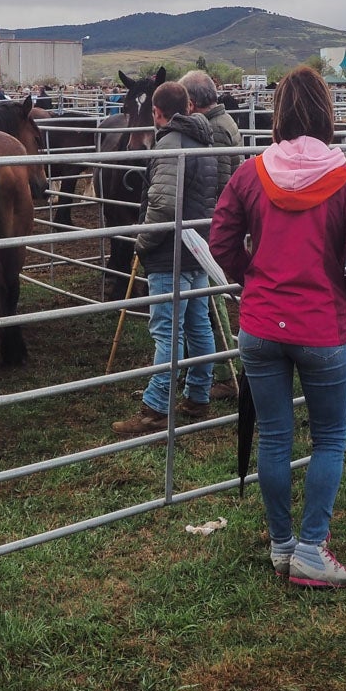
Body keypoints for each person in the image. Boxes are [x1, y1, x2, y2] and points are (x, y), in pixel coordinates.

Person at [209, 66, 346, 588]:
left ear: (278, 113)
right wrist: (345, 298)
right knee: (330, 436)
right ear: (328, 115)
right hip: (320, 326)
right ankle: (311, 548)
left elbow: (221, 243)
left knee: (275, 437)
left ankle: (282, 544)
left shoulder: (250, 174)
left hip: (261, 325)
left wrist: (251, 280)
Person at [112, 82, 225, 435]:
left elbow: (161, 205)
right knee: (198, 324)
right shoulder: (206, 144)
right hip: (196, 249)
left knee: (167, 331)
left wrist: (142, 242)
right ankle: (197, 395)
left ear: (159, 113)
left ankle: (156, 407)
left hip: (168, 254)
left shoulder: (169, 145)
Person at [180, 69, 244, 398]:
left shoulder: (215, 130)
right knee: (208, 297)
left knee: (211, 298)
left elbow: (218, 182)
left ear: (192, 102)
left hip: (212, 221)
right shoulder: (225, 122)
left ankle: (221, 369)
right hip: (218, 218)